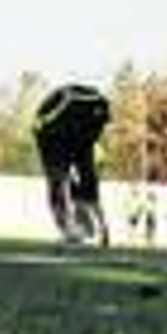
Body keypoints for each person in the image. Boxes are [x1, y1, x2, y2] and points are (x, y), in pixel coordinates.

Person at [32, 82, 111, 245]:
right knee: (58, 181)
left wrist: (102, 225)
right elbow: (58, 181)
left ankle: (95, 226)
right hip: (53, 136)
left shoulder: (91, 123)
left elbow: (88, 177)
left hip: (76, 132)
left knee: (86, 180)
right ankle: (69, 227)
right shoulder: (52, 125)